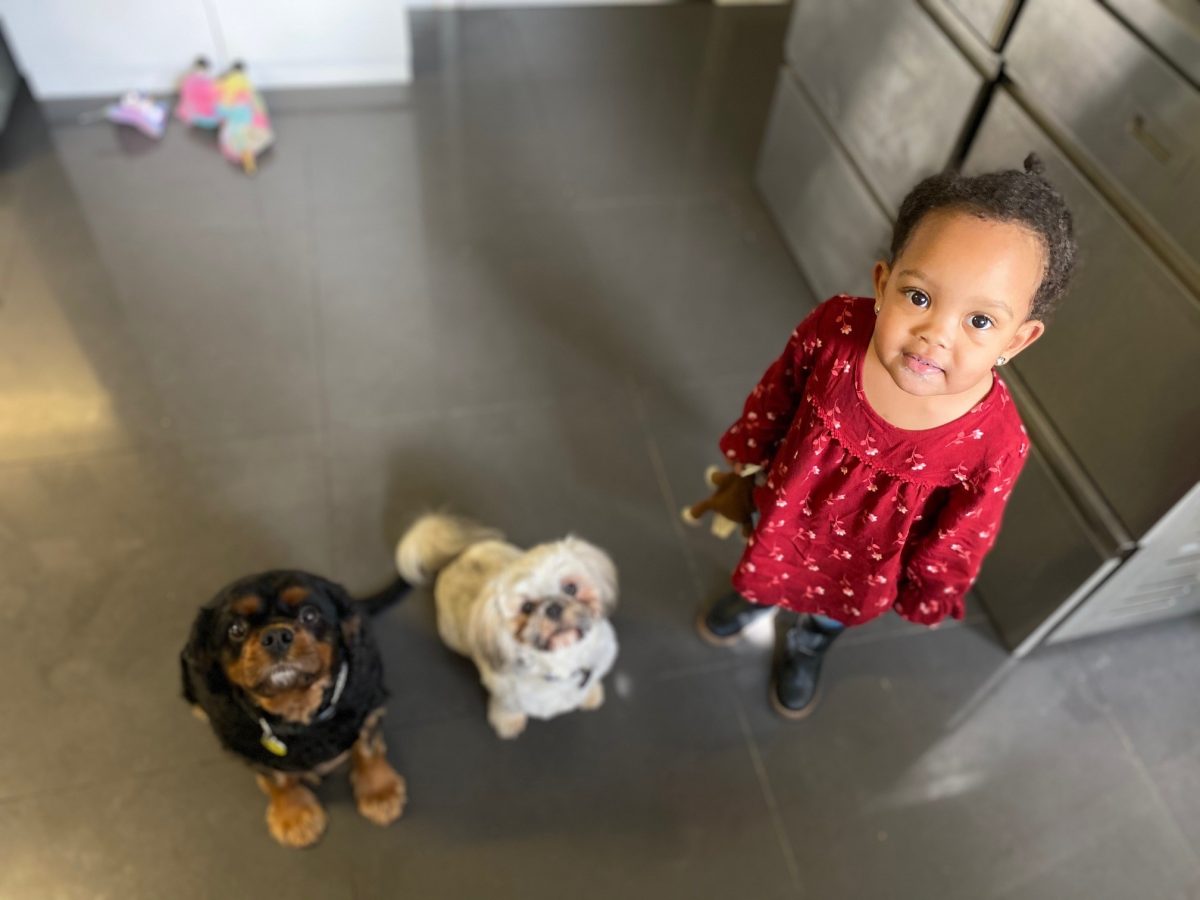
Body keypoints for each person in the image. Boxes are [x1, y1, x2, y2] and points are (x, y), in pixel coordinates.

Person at [697, 155, 1076, 719]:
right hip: (787, 508)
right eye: (919, 297)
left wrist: (928, 590)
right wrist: (750, 448)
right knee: (767, 562)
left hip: (860, 566)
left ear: (1018, 341)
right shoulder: (836, 331)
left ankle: (809, 641)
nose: (934, 335)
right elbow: (782, 387)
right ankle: (757, 599)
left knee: (832, 610)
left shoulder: (996, 441)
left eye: (980, 321)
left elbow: (963, 534)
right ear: (884, 281)